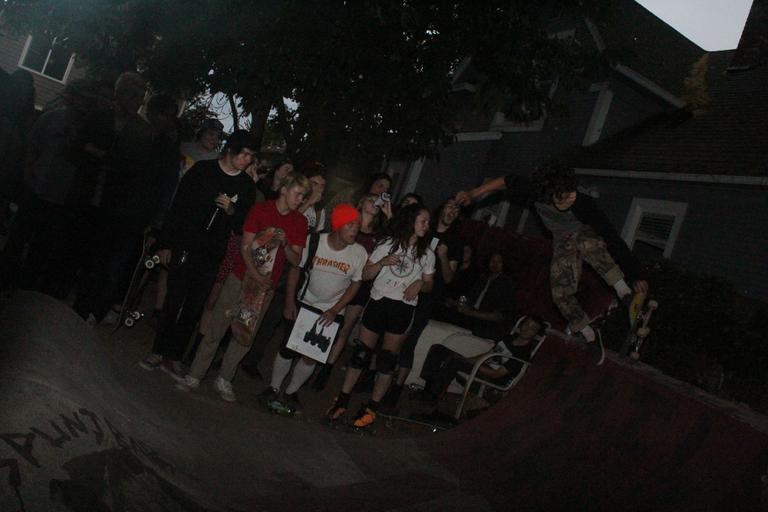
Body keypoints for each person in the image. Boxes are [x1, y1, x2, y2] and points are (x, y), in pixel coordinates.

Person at [456, 162, 648, 364]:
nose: (567, 200)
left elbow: (612, 238)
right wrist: (473, 193)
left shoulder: (584, 204)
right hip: (562, 241)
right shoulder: (535, 190)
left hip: (583, 234)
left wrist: (635, 274)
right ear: (548, 194)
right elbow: (505, 181)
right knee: (560, 294)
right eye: (560, 197)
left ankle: (624, 292)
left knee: (587, 243)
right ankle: (589, 334)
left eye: (569, 195)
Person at [175, 172, 309, 402]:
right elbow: (245, 246)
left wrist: (286, 244)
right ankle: (195, 374)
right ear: (284, 190)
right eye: (298, 194)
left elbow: (296, 261)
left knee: (244, 334)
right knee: (217, 326)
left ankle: (225, 378)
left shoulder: (299, 221)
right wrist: (256, 275)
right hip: (240, 278)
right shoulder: (261, 210)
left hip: (263, 287)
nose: (300, 199)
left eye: (303, 196)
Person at [138, 130, 258, 378]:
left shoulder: (246, 186)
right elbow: (177, 207)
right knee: (174, 298)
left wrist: (232, 211)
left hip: (212, 253)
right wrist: (166, 244)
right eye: (245, 154)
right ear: (231, 150)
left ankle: (174, 356)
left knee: (194, 305)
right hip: (185, 244)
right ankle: (158, 350)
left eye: (251, 156)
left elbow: (243, 226)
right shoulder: (203, 171)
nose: (248, 160)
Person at [326, 204, 435, 428]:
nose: (426, 225)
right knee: (361, 355)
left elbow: (429, 284)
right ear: (411, 221)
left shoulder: (427, 253)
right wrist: (381, 263)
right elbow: (365, 274)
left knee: (387, 361)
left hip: (402, 309)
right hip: (378, 303)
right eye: (423, 221)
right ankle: (342, 400)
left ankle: (371, 409)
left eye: (428, 222)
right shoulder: (387, 244)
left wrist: (420, 283)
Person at [260, 204, 368, 414]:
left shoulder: (358, 253)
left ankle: (291, 392)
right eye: (350, 225)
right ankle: (273, 388)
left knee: (312, 354)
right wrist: (290, 301)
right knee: (288, 348)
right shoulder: (316, 241)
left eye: (357, 225)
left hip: (332, 309)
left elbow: (356, 284)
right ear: (337, 225)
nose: (355, 230)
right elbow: (296, 268)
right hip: (305, 301)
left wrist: (335, 309)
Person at [381, 197, 463, 412]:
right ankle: (378, 378)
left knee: (409, 340)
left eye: (456, 209)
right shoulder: (424, 229)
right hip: (402, 290)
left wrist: (443, 256)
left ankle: (396, 388)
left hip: (427, 298)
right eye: (450, 205)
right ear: (442, 208)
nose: (452, 210)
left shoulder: (455, 242)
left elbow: (448, 278)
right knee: (390, 336)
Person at [311, 192, 386, 391]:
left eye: (378, 201)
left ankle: (326, 368)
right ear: (362, 202)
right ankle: (311, 357)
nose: (376, 203)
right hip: (336, 277)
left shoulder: (379, 234)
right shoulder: (348, 224)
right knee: (321, 319)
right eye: (371, 199)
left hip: (358, 284)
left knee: (344, 328)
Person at [416, 316, 544, 403]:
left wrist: (471, 364)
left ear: (535, 334)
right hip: (482, 366)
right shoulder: (508, 338)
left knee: (455, 362)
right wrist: (468, 360)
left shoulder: (523, 354)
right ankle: (428, 387)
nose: (527, 329)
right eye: (526, 324)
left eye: (532, 328)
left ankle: (434, 396)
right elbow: (488, 354)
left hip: (489, 379)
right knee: (438, 349)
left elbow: (496, 374)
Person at [298, 161, 327, 232]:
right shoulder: (295, 199)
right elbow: (287, 220)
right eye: (315, 184)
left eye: (322, 186)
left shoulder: (319, 211)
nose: (319, 189)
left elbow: (316, 234)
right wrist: (308, 202)